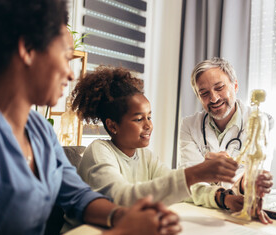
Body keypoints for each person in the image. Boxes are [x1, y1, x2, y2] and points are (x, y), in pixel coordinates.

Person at [0, 0, 180, 235]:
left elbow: (78, 196)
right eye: (65, 57)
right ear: (28, 49)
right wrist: (120, 234)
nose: (71, 73)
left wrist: (121, 216)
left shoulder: (41, 131)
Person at [71, 66, 240, 209]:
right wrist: (195, 173)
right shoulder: (98, 151)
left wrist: (222, 197)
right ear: (112, 125)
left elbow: (176, 187)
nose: (148, 125)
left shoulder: (145, 156)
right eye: (138, 119)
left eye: (149, 117)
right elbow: (122, 198)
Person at [179, 57, 274, 223]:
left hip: (243, 212)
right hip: (203, 213)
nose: (214, 99)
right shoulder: (189, 125)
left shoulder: (260, 121)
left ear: (235, 85)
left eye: (219, 88)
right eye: (204, 93)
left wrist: (245, 184)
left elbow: (255, 177)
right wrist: (223, 196)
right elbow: (188, 182)